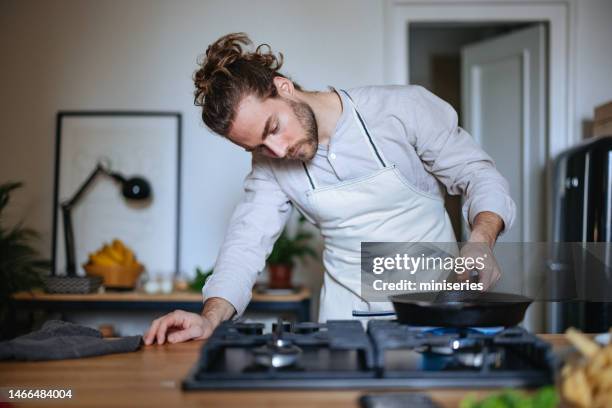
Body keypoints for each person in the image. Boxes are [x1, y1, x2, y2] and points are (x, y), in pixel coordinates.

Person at [144, 32, 515, 345]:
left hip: (436, 312)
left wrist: (481, 241)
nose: (275, 151)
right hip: (345, 325)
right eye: (255, 146)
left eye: (272, 128)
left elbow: (478, 174)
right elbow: (245, 246)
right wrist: (209, 319)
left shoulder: (399, 109)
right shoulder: (269, 165)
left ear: (284, 88)